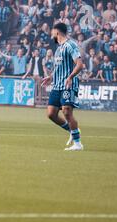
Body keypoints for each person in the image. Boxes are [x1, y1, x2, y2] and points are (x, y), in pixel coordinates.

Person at [41, 23, 84, 151]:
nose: (51, 35)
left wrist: (70, 77)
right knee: (51, 114)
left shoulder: (71, 45)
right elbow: (58, 67)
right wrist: (51, 77)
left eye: (52, 32)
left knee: (66, 111)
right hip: (57, 85)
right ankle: (72, 130)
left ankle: (78, 144)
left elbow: (79, 64)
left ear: (57, 32)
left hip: (68, 84)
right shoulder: (59, 48)